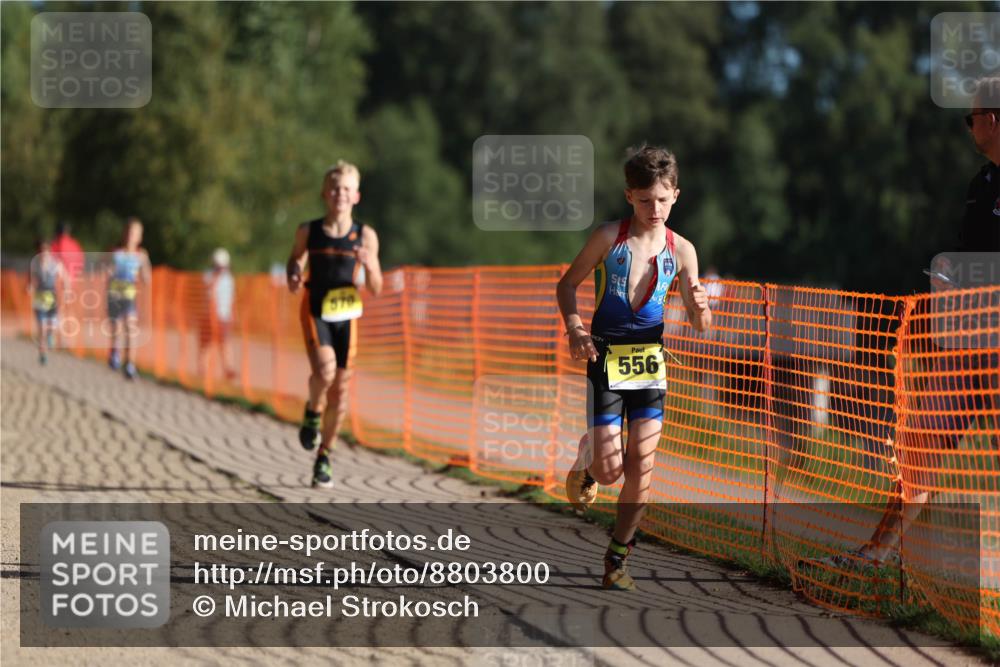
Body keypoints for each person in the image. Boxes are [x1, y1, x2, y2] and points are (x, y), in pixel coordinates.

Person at [813, 76, 1000, 569]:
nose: (968, 127)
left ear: (993, 120)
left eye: (971, 118)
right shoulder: (981, 185)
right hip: (968, 344)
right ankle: (877, 555)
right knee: (919, 445)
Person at [556, 145, 711, 590]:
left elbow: (702, 324)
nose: (654, 209)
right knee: (609, 473)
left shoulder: (682, 251)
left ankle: (618, 556)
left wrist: (700, 309)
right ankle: (590, 454)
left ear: (676, 196)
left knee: (643, 461)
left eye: (662, 200)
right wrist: (575, 328)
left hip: (650, 366)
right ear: (629, 196)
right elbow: (567, 285)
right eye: (645, 200)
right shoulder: (609, 238)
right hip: (605, 359)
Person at [286, 161, 383, 489]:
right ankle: (313, 413)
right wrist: (294, 273)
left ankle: (324, 456)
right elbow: (295, 259)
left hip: (347, 316)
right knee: (324, 372)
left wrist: (370, 267)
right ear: (325, 194)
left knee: (341, 391)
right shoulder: (308, 230)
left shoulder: (365, 235)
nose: (340, 194)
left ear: (356, 196)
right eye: (334, 188)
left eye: (346, 189)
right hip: (315, 308)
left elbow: (377, 286)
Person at [106, 217, 151, 380]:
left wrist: (144, 275)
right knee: (117, 328)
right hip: (114, 296)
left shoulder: (141, 255)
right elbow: (105, 268)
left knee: (131, 330)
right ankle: (115, 352)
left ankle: (130, 364)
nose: (131, 236)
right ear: (124, 234)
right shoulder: (115, 252)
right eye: (129, 232)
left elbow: (146, 276)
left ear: (140, 237)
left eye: (135, 233)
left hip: (130, 297)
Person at [28, 239, 68, 365]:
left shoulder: (56, 264)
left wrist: (66, 290)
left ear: (49, 251)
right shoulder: (35, 265)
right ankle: (42, 353)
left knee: (51, 325)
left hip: (52, 298)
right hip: (40, 298)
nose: (43, 253)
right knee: (42, 327)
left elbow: (65, 278)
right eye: (40, 251)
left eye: (45, 250)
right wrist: (29, 287)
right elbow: (31, 280)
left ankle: (51, 335)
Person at [200, 248, 237, 381]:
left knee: (225, 343)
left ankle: (228, 369)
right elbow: (207, 293)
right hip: (208, 315)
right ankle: (203, 371)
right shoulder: (208, 276)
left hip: (223, 317)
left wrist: (232, 314)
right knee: (206, 344)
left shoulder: (229, 279)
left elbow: (231, 298)